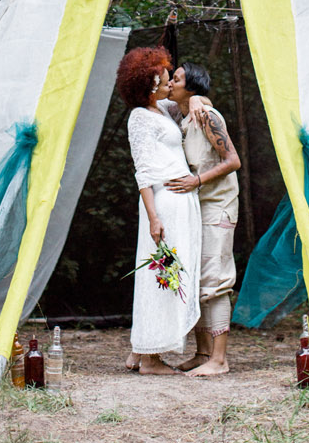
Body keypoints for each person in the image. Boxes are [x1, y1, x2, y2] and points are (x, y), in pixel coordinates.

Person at [117, 45, 202, 374]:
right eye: (166, 77)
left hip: (179, 202)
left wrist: (194, 98)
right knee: (161, 276)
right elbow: (144, 172)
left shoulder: (160, 110)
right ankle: (151, 358)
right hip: (163, 203)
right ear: (152, 82)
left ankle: (140, 351)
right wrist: (154, 218)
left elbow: (188, 99)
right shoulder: (140, 117)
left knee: (167, 274)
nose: (171, 81)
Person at [164, 62, 242, 376]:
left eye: (177, 79)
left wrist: (197, 181)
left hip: (217, 206)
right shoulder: (181, 115)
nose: (170, 82)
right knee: (194, 279)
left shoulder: (207, 117)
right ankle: (202, 353)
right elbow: (151, 96)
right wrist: (195, 99)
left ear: (192, 86)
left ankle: (219, 360)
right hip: (194, 208)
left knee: (215, 279)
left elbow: (232, 160)